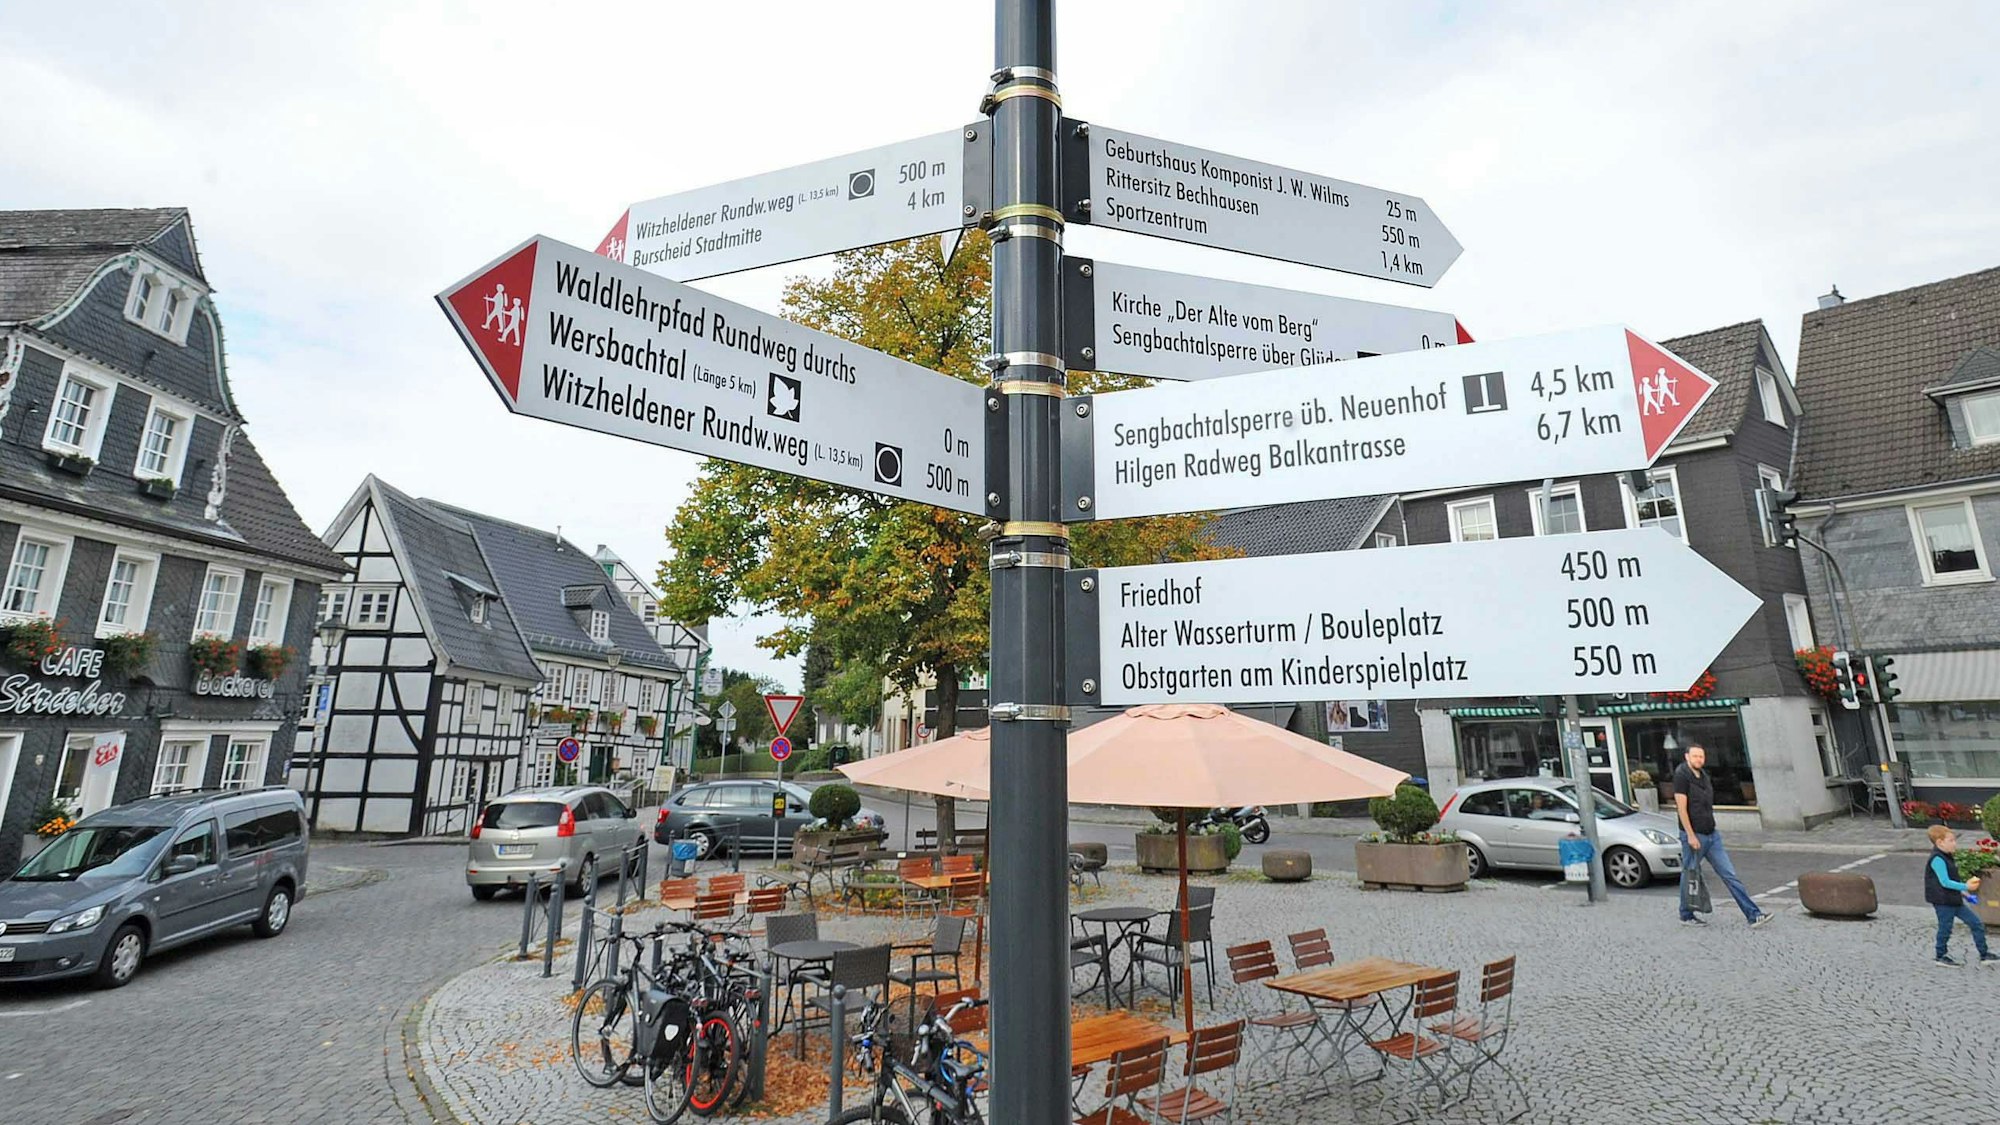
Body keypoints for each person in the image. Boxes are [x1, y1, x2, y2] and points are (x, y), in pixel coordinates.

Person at [1673, 744, 1772, 928]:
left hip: (1711, 835)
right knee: (1690, 874)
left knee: (1729, 875)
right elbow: (1681, 808)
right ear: (1687, 757)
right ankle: (1686, 914)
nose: (1698, 760)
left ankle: (1753, 914)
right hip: (1695, 835)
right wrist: (1690, 835)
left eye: (1701, 756)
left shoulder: (1704, 777)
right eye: (1695, 756)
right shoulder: (1681, 776)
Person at [1924, 823, 1997, 967]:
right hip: (1943, 901)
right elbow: (1945, 882)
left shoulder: (1947, 856)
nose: (1954, 844)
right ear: (1939, 842)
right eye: (1950, 841)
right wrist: (1966, 887)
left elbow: (1952, 881)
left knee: (1976, 924)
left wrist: (1965, 895)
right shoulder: (1937, 859)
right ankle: (1940, 955)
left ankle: (1984, 954)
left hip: (1954, 899)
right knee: (1945, 928)